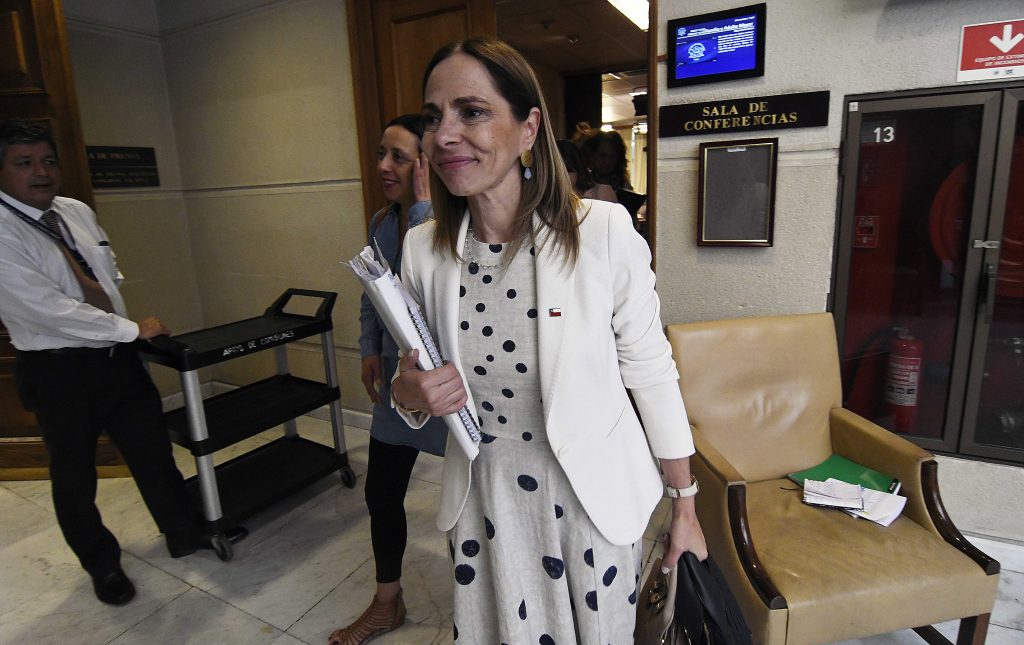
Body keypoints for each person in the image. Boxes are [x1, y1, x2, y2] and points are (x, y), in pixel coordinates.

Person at [390, 37, 707, 643]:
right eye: (434, 117)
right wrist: (410, 394)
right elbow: (410, 379)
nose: (445, 135)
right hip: (484, 504)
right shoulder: (423, 251)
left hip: (587, 502)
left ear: (528, 128)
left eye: (472, 112)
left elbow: (650, 370)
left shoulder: (602, 233)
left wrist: (685, 501)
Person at [0, 119, 245, 606]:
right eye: (24, 163)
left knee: (152, 450)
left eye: (48, 160)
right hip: (57, 371)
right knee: (74, 474)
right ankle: (102, 564)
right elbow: (46, 309)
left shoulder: (74, 211)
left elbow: (107, 277)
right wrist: (131, 329)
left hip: (115, 359)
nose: (41, 172)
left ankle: (184, 532)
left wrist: (122, 336)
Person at [328, 114, 448, 645]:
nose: (382, 165)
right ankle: (386, 602)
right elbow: (374, 293)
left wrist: (422, 208)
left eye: (399, 156)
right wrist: (368, 349)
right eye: (382, 153)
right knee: (381, 493)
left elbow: (431, 294)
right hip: (398, 385)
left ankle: (486, 604)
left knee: (470, 503)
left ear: (426, 165)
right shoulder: (381, 222)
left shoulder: (452, 221)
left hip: (449, 386)